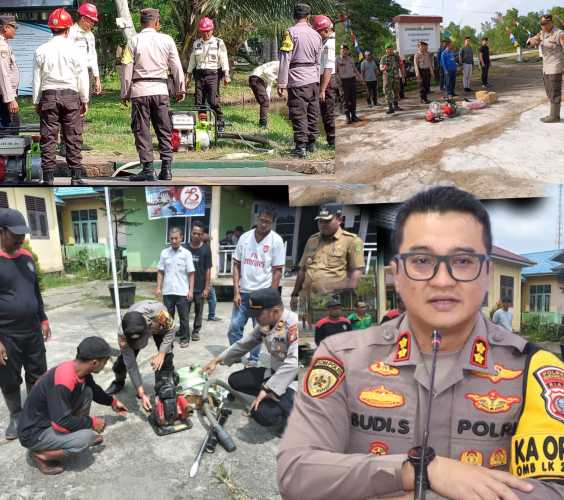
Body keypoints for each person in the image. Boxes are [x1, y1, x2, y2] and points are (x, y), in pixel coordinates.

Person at [277, 186, 564, 499]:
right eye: (422, 260)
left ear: (486, 274)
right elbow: (298, 473)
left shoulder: (534, 370)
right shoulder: (343, 358)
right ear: (398, 275)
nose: (443, 280)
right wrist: (416, 470)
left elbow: (552, 491)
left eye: (464, 261)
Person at [18, 337, 128, 475]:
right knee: (85, 438)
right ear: (94, 363)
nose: (106, 364)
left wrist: (112, 402)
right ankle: (41, 455)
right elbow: (61, 423)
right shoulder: (63, 381)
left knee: (87, 392)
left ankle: (69, 436)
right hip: (33, 433)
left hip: (49, 418)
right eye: (105, 361)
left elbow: (94, 390)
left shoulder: (79, 369)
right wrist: (92, 422)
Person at [204, 288, 298, 429]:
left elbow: (293, 363)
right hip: (273, 373)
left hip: (292, 381)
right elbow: (244, 344)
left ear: (275, 311)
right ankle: (272, 399)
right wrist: (217, 360)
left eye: (258, 314)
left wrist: (267, 389)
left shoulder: (294, 326)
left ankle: (291, 419)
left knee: (261, 414)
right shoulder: (267, 323)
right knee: (235, 380)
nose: (255, 318)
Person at [0, 209, 50, 441]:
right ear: (1, 232)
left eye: (22, 235)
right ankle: (16, 415)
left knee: (37, 373)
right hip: (7, 334)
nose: (20, 240)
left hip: (32, 330)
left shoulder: (27, 258)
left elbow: (35, 291)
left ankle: (35, 412)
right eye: (15, 235)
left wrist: (43, 318)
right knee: (9, 378)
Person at [121, 8, 185, 182]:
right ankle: (166, 169)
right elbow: (176, 66)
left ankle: (148, 170)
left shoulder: (133, 41)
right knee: (164, 129)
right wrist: (181, 88)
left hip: (140, 91)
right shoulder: (167, 40)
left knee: (142, 131)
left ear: (142, 23)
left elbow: (127, 68)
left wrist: (125, 92)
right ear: (157, 23)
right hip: (160, 90)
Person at [33, 8, 89, 185]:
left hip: (49, 96)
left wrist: (36, 101)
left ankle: (48, 178)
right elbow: (82, 76)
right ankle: (76, 176)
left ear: (51, 28)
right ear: (67, 29)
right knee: (72, 136)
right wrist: (85, 99)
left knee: (48, 138)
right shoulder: (75, 50)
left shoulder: (41, 50)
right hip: (70, 96)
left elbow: (36, 79)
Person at [290, 206, 364, 327]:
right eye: (320, 221)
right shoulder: (312, 240)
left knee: (333, 334)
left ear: (339, 219)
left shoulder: (352, 241)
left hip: (332, 302)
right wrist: (294, 294)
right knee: (309, 335)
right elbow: (303, 269)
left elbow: (356, 274)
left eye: (327, 221)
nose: (323, 224)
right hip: (308, 300)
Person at [229, 208, 285, 367]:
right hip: (244, 293)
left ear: (272, 222)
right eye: (261, 220)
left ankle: (253, 359)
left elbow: (277, 271)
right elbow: (236, 265)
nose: (263, 224)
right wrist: (236, 291)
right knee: (234, 327)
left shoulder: (276, 241)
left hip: (262, 295)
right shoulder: (245, 238)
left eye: (267, 221)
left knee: (260, 329)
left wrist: (271, 297)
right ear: (257, 218)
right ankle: (237, 355)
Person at [105, 300, 176, 412]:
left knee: (165, 359)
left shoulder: (159, 313)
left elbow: (171, 329)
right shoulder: (123, 335)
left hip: (160, 328)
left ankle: (164, 384)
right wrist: (141, 393)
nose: (138, 346)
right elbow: (132, 366)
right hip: (140, 328)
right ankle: (118, 382)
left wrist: (161, 353)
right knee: (122, 363)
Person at [277, 3, 323, 158]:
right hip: (313, 79)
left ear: (294, 16)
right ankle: (312, 144)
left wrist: (282, 83)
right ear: (308, 16)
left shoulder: (290, 33)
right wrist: (316, 79)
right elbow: (318, 61)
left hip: (297, 78)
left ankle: (300, 147)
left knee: (299, 113)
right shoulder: (316, 35)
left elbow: (285, 58)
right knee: (312, 112)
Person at [186, 17, 230, 133]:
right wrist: (189, 74)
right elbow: (192, 60)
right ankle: (203, 126)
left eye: (208, 31)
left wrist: (226, 74)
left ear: (212, 30)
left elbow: (224, 58)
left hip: (213, 74)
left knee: (213, 101)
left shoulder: (218, 43)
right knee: (199, 102)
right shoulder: (197, 43)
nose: (205, 33)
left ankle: (220, 122)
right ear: (200, 31)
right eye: (203, 31)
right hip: (199, 75)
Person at [156, 227, 195, 348]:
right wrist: (158, 287)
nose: (173, 241)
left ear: (181, 238)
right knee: (167, 318)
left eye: (176, 238)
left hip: (182, 292)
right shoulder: (164, 253)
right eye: (171, 238)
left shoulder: (186, 254)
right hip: (168, 291)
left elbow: (191, 273)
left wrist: (191, 290)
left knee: (184, 318)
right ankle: (169, 339)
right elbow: (160, 271)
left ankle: (184, 338)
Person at [527, 15, 564, 123]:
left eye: (545, 24)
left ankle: (554, 116)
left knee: (554, 91)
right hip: (546, 67)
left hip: (555, 66)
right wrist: (532, 41)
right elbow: (532, 41)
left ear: (551, 23)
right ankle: (553, 114)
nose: (543, 26)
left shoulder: (559, 34)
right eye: (541, 24)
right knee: (549, 90)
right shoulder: (542, 33)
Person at [311, 15, 336, 147]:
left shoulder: (329, 45)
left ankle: (332, 142)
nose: (317, 35)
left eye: (318, 32)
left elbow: (328, 67)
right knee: (327, 111)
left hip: (329, 81)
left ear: (326, 30)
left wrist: (322, 89)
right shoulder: (327, 42)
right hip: (327, 80)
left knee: (328, 112)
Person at [185, 222, 212, 341]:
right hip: (185, 287)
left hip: (200, 287)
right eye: (194, 233)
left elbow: (208, 269)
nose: (196, 236)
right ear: (191, 233)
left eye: (199, 234)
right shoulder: (185, 248)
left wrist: (206, 288)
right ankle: (184, 330)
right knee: (184, 311)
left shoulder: (206, 249)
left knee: (198, 311)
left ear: (202, 235)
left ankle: (196, 331)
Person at [69, 3, 101, 96]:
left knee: (85, 102)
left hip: (88, 73)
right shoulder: (70, 33)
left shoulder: (90, 35)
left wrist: (97, 77)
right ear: (83, 18)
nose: (93, 24)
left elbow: (92, 56)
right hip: (73, 73)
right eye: (91, 21)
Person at [0, 15, 20, 133]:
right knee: (9, 131)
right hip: (4, 97)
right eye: (13, 27)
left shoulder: (4, 44)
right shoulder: (1, 46)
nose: (15, 30)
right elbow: (2, 74)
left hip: (5, 95)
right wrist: (10, 99)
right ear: (6, 28)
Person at [249, 60, 279, 128]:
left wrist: (268, 99)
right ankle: (263, 125)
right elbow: (266, 71)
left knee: (265, 101)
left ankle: (263, 123)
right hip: (256, 78)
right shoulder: (279, 65)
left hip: (257, 79)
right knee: (264, 101)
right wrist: (277, 79)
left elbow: (269, 85)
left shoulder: (277, 71)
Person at [336, 45, 362, 124]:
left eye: (346, 50)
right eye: (343, 50)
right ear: (340, 50)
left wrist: (360, 78)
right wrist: (338, 82)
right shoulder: (337, 59)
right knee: (345, 100)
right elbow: (335, 72)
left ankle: (353, 115)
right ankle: (348, 117)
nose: (344, 51)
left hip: (352, 80)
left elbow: (355, 69)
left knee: (353, 99)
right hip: (343, 81)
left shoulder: (350, 59)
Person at [380, 44, 401, 114]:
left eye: (390, 49)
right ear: (386, 50)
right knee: (387, 92)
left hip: (396, 77)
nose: (389, 50)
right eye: (388, 49)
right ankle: (390, 107)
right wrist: (384, 68)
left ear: (392, 49)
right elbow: (381, 68)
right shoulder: (383, 58)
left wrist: (403, 74)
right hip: (387, 78)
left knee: (396, 91)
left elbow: (401, 65)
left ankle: (396, 106)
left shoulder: (396, 57)